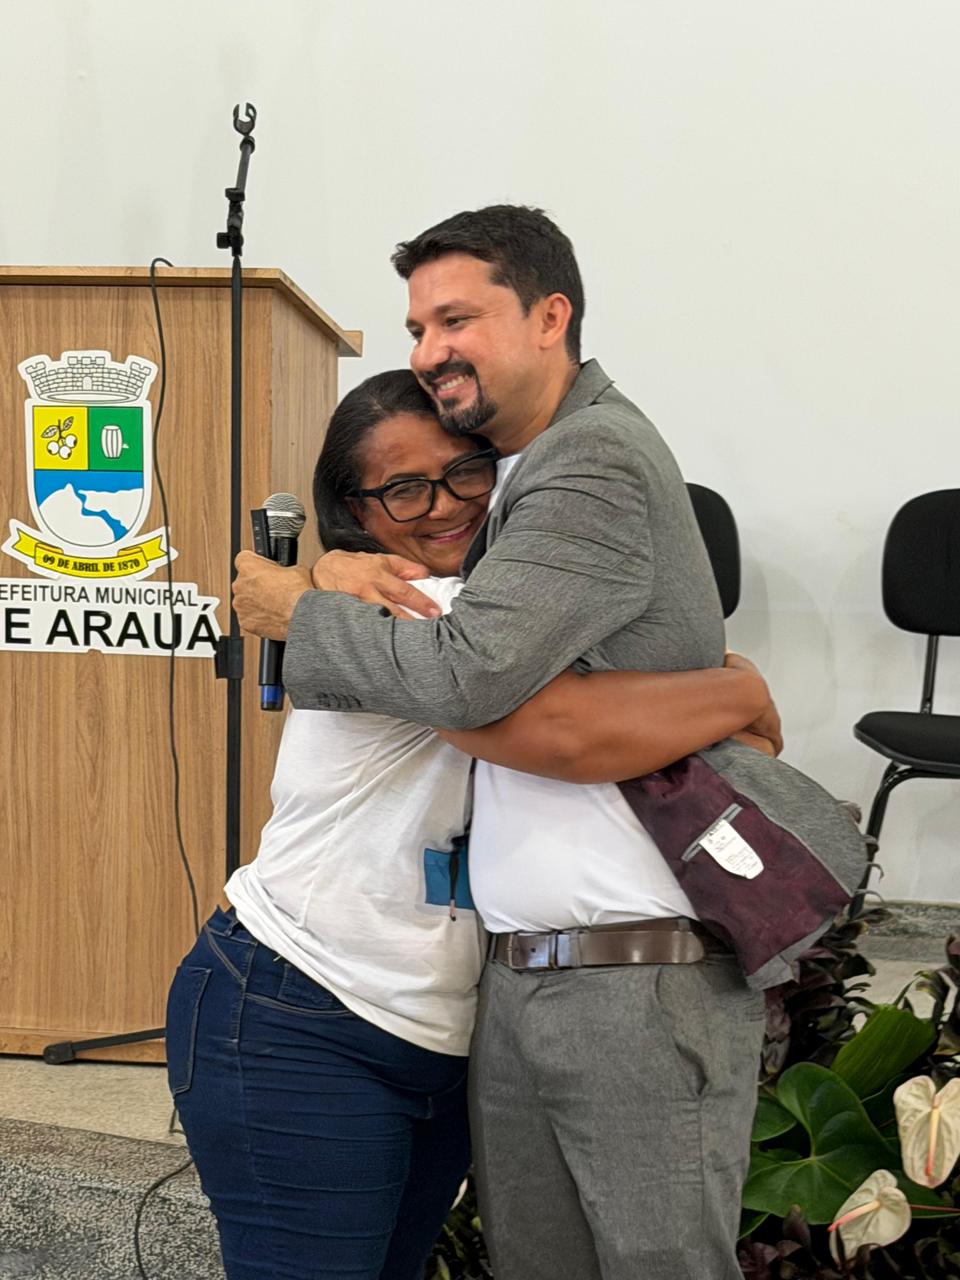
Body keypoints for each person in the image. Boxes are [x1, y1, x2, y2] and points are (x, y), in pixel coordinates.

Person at [232, 206, 773, 1280]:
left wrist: (298, 609)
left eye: (457, 318)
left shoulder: (592, 462)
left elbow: (469, 676)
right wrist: (333, 568)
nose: (429, 350)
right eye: (417, 326)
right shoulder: (524, 471)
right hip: (525, 976)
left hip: (633, 979)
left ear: (549, 316)